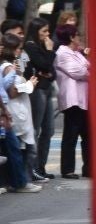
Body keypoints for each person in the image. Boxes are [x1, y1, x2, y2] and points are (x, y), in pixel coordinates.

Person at [1, 34, 39, 193]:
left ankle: (17, 181)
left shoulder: (9, 66)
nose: (20, 52)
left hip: (14, 111)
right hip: (14, 111)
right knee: (19, 149)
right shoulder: (8, 68)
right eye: (18, 49)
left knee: (15, 148)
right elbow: (12, 92)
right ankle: (20, 181)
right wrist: (30, 85)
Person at [54, 24, 89, 179]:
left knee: (88, 135)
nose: (79, 38)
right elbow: (78, 72)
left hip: (84, 99)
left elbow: (88, 67)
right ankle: (67, 169)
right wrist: (89, 70)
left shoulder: (77, 53)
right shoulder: (62, 53)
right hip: (72, 99)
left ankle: (90, 168)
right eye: (77, 35)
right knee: (71, 135)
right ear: (71, 37)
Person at [23, 18, 56, 181]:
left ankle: (40, 167)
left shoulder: (42, 45)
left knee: (49, 129)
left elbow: (51, 70)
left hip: (47, 88)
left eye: (48, 31)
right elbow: (44, 65)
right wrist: (49, 52)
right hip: (37, 91)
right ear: (36, 31)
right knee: (35, 129)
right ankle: (32, 167)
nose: (47, 34)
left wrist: (47, 68)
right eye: (44, 31)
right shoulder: (30, 45)